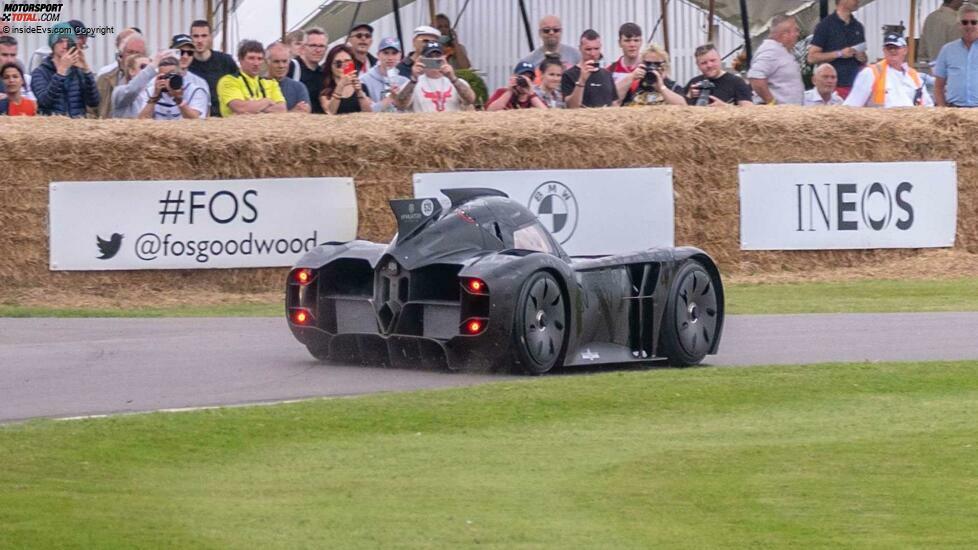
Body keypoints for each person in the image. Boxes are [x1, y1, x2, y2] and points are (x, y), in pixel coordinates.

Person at [844, 33, 933, 107]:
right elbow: (851, 106)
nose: (892, 51)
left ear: (905, 50)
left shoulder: (914, 76)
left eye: (896, 47)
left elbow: (927, 106)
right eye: (889, 48)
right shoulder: (871, 73)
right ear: (884, 50)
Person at [30, 23, 100, 117]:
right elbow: (44, 102)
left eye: (69, 41)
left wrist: (86, 70)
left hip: (77, 127)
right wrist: (61, 72)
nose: (65, 45)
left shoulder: (77, 71)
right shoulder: (40, 72)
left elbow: (94, 102)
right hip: (50, 128)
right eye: (60, 41)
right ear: (52, 44)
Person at [807, 0, 867, 98]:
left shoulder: (858, 26)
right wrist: (839, 54)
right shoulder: (825, 25)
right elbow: (812, 57)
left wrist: (862, 57)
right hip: (834, 87)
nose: (858, 1)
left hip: (856, 86)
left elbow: (864, 58)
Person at [395, 41, 476, 112]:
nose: (434, 59)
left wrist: (453, 78)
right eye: (430, 57)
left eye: (437, 56)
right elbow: (400, 105)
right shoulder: (412, 83)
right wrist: (413, 79)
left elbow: (470, 100)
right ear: (422, 59)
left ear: (444, 58)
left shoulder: (456, 81)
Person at [217, 40, 286, 116]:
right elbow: (240, 108)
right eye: (251, 58)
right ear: (240, 60)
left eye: (259, 59)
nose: (256, 63)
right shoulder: (228, 81)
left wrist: (252, 107)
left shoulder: (271, 82)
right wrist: (267, 101)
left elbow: (282, 109)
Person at [747, 14, 804, 105]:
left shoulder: (781, 50)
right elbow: (756, 78)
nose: (798, 34)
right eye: (796, 30)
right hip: (777, 115)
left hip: (789, 114)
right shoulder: (771, 50)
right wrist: (772, 103)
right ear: (785, 34)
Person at [188, 19, 239, 116]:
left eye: (204, 36)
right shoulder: (186, 64)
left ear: (210, 37)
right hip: (195, 119)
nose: (199, 40)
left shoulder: (225, 61)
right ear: (190, 38)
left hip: (223, 118)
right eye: (196, 36)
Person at [138, 55, 211, 120]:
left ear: (181, 75)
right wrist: (154, 97)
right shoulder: (151, 91)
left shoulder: (195, 91)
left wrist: (179, 100)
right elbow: (141, 121)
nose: (167, 80)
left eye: (171, 76)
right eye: (164, 77)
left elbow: (196, 122)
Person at [933, 3, 978, 107]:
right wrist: (943, 111)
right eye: (965, 22)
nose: (969, 26)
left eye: (974, 22)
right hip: (954, 111)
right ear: (959, 25)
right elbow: (938, 86)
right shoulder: (947, 50)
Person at [561, 29, 618, 108]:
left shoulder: (607, 74)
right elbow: (571, 106)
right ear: (580, 48)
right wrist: (581, 81)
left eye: (596, 49)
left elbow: (614, 104)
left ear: (600, 48)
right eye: (588, 49)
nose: (592, 53)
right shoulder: (568, 75)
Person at [95, 32, 146, 118]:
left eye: (138, 53)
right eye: (130, 52)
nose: (133, 57)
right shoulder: (105, 79)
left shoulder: (152, 81)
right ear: (121, 54)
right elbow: (92, 110)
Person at [619, 43, 686, 107]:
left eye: (657, 64)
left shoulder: (673, 87)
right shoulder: (634, 85)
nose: (652, 67)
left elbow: (684, 107)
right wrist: (631, 76)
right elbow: (614, 101)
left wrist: (661, 88)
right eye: (648, 63)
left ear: (665, 65)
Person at [684, 44, 752, 107]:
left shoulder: (737, 82)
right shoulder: (694, 83)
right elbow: (680, 111)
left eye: (713, 60)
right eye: (703, 63)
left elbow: (749, 110)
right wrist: (689, 96)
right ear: (698, 65)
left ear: (720, 60)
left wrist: (725, 106)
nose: (709, 65)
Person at [319, 44, 373, 115]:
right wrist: (341, 85)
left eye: (347, 62)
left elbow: (369, 114)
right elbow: (330, 112)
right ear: (330, 66)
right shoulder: (325, 89)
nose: (343, 66)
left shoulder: (362, 86)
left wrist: (359, 92)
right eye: (338, 63)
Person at [361, 37, 408, 112]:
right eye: (386, 53)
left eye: (394, 53)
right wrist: (391, 97)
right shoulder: (364, 80)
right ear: (378, 55)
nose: (390, 58)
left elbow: (409, 111)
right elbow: (368, 112)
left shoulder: (405, 82)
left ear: (400, 55)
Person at [288, 27, 327, 114]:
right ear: (303, 47)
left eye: (321, 46)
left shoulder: (324, 74)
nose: (318, 50)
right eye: (313, 45)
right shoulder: (291, 67)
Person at [266, 41, 310, 113]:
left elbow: (304, 113)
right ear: (267, 62)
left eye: (284, 61)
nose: (281, 66)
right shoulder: (258, 85)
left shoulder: (298, 88)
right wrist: (292, 112)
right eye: (276, 61)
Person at [919, 0, 965, 69]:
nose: (963, 1)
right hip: (952, 70)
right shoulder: (956, 22)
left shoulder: (930, 17)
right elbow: (960, 52)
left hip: (931, 69)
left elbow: (923, 49)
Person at [110, 52, 154, 118]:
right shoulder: (119, 91)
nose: (147, 71)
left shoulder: (152, 93)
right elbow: (132, 90)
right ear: (131, 71)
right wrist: (153, 66)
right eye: (143, 67)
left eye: (148, 67)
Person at [608, 22, 644, 96]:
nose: (632, 45)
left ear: (641, 42)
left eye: (636, 40)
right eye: (627, 40)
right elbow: (607, 98)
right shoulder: (610, 71)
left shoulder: (649, 68)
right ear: (619, 43)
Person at [0, 35, 33, 101]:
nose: (9, 60)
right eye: (4, 55)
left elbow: (33, 103)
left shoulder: (25, 78)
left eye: (13, 55)